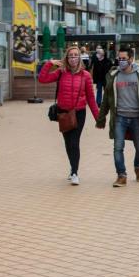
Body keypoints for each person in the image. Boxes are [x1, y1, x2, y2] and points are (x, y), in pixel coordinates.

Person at [38, 46, 99, 185]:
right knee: (67, 143)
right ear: (66, 58)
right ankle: (72, 167)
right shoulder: (60, 73)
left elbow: (91, 99)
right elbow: (42, 79)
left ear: (79, 58)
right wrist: (49, 64)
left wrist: (98, 118)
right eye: (70, 56)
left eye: (76, 55)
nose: (73, 58)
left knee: (74, 142)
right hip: (63, 112)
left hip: (79, 113)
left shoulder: (86, 76)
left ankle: (75, 173)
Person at [96, 47, 139, 187]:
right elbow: (106, 99)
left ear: (131, 59)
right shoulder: (113, 75)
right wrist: (101, 117)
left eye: (124, 59)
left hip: (137, 118)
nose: (121, 61)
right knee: (118, 147)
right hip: (119, 117)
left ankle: (138, 167)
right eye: (119, 58)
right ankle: (121, 175)